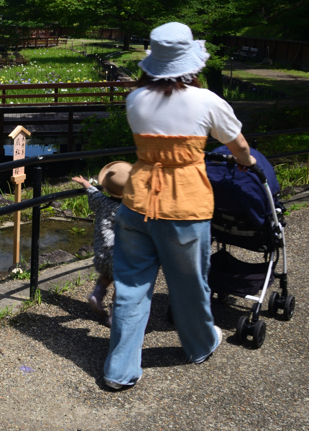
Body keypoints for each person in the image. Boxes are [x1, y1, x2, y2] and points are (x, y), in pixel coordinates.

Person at [103, 21, 256, 391]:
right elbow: (240, 147)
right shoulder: (207, 101)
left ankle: (119, 369)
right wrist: (247, 163)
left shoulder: (134, 99)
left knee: (130, 287)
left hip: (136, 203)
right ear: (190, 62)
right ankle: (200, 345)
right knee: (189, 286)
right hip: (184, 207)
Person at [72, 160, 131, 326]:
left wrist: (84, 182)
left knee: (106, 276)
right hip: (121, 255)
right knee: (121, 286)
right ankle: (114, 315)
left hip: (102, 253)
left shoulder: (102, 201)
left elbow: (92, 191)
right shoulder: (130, 209)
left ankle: (96, 295)